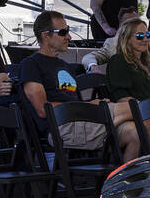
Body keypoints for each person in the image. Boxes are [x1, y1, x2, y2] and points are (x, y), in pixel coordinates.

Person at [20, 11, 142, 161]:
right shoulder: (31, 64)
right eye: (63, 32)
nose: (69, 37)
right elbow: (42, 109)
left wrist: (88, 107)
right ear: (45, 36)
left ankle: (123, 182)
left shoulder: (63, 65)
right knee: (137, 108)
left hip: (82, 122)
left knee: (134, 132)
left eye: (68, 31)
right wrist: (89, 106)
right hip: (61, 128)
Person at [105, 19, 150, 150]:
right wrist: (148, 107)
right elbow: (121, 96)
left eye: (147, 35)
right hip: (130, 114)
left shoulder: (145, 63)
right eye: (139, 36)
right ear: (127, 39)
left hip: (148, 110)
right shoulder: (119, 60)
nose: (145, 39)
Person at [84, 7, 142, 72]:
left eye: (137, 22)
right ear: (122, 26)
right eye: (131, 23)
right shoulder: (113, 43)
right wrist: (93, 67)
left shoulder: (148, 40)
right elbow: (89, 58)